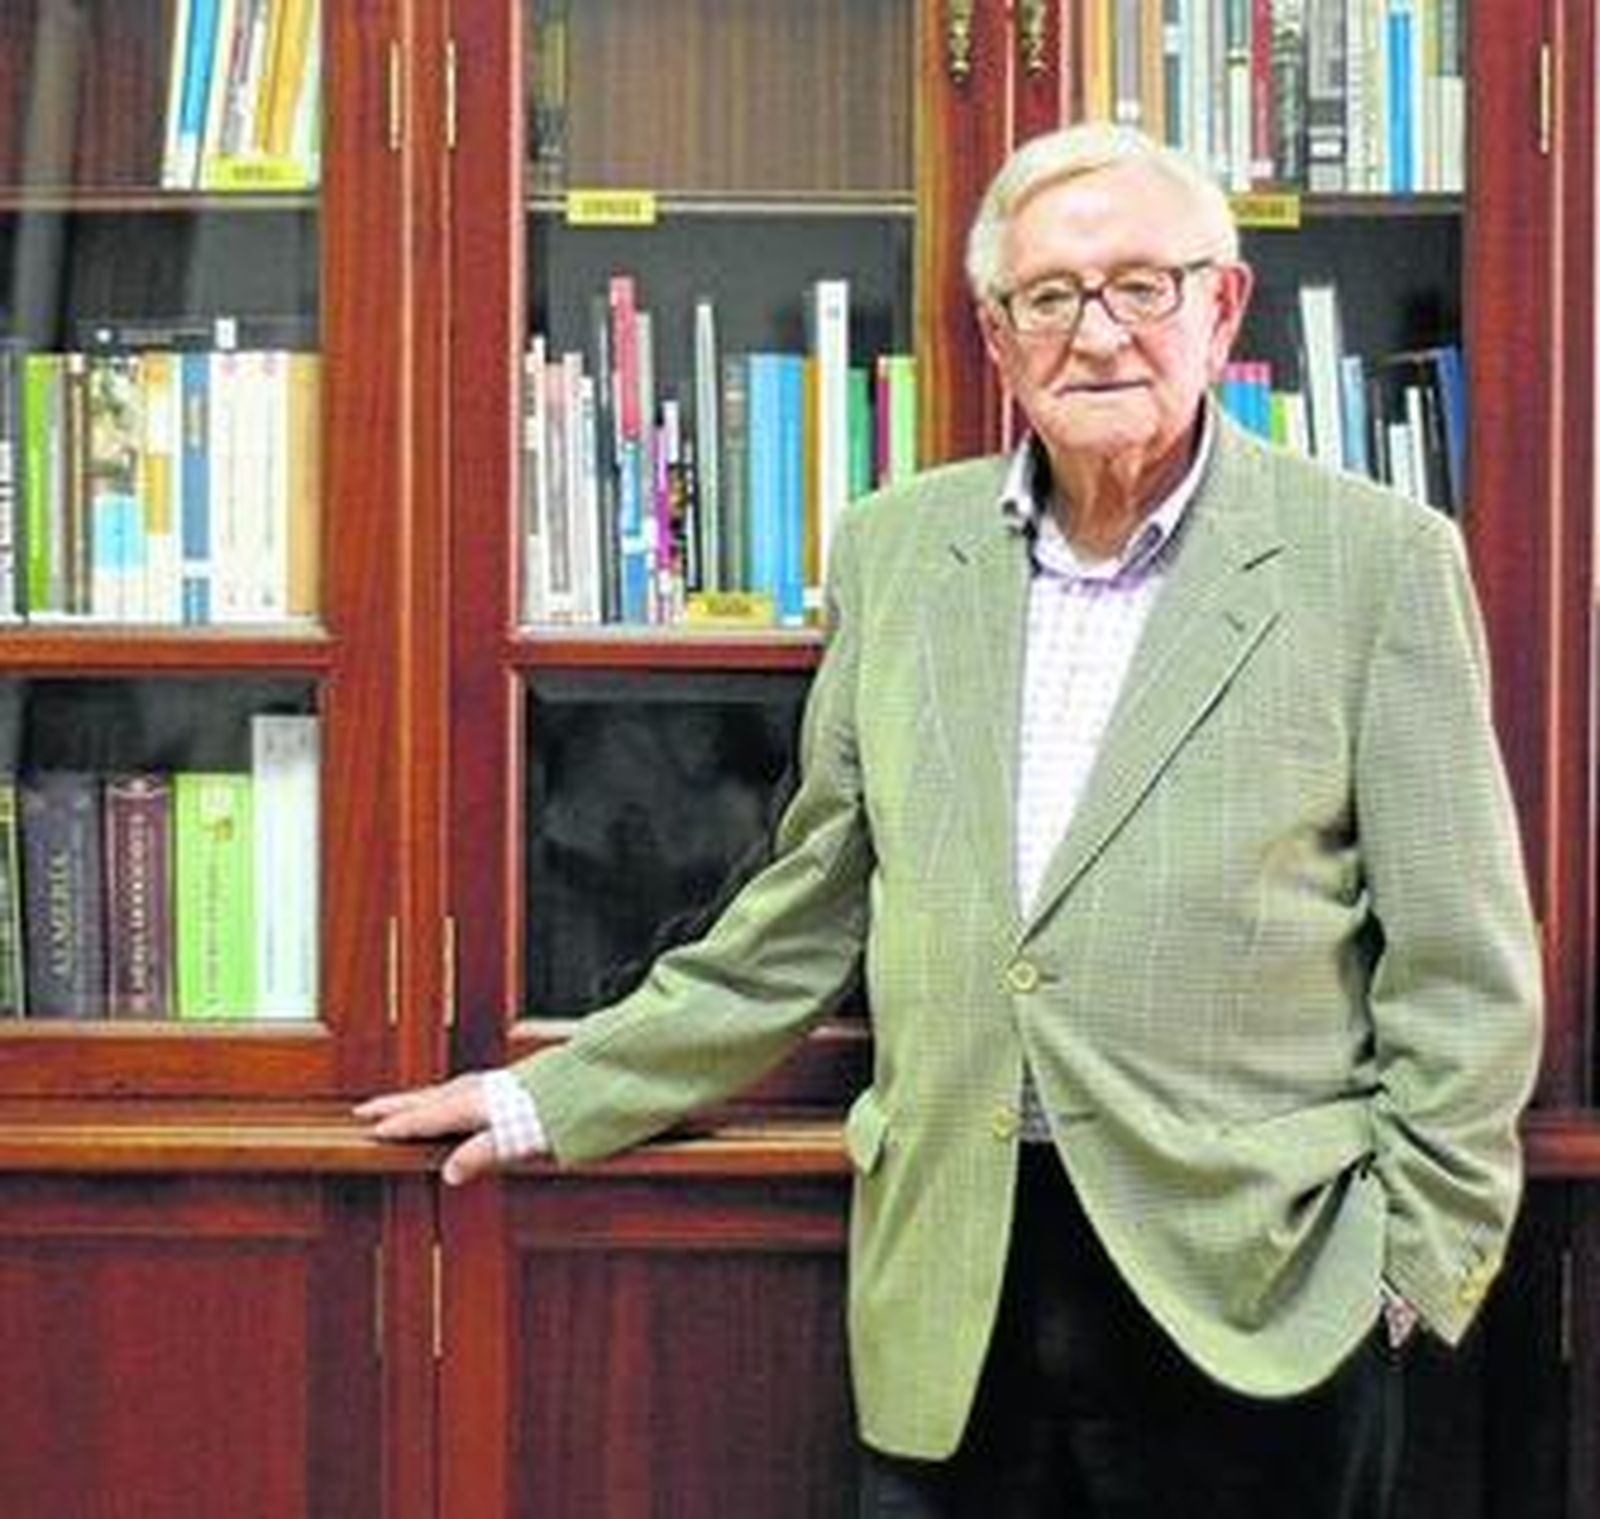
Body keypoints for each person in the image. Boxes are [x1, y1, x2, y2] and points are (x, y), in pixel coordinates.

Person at [356, 123, 1542, 1517]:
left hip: (1263, 1303)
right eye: (1052, 296)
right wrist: (543, 1093)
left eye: (1143, 285)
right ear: (998, 335)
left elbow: (1463, 965)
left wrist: (1409, 1267)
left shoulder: (1376, 562)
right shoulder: (900, 552)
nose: (1099, 332)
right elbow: (803, 915)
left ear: (1221, 306)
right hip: (952, 1290)